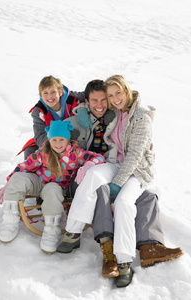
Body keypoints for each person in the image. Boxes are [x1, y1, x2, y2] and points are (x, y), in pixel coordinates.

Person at [56, 78, 183, 287]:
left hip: (136, 171)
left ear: (126, 91)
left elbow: (134, 156)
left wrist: (118, 183)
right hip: (115, 162)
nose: (114, 99)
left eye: (117, 94)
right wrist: (81, 109)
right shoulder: (116, 111)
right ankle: (73, 232)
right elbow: (87, 98)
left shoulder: (141, 116)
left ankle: (124, 262)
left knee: (124, 203)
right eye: (111, 95)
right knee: (93, 176)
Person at [0, 120, 105, 254]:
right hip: (38, 182)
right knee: (18, 178)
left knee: (53, 189)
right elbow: (24, 166)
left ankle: (51, 229)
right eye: (54, 140)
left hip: (55, 187)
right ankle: (9, 220)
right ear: (49, 140)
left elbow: (99, 158)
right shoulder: (43, 152)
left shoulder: (75, 154)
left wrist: (88, 165)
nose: (58, 144)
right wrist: (8, 184)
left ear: (68, 140)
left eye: (61, 140)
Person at [17, 75, 86, 159]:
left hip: (76, 139)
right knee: (30, 150)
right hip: (53, 142)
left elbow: (92, 94)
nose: (50, 96)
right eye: (45, 93)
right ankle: (31, 170)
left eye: (53, 92)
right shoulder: (39, 111)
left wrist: (82, 107)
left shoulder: (72, 98)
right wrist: (58, 141)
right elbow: (39, 136)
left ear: (60, 92)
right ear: (41, 95)